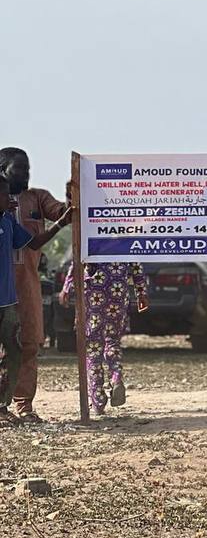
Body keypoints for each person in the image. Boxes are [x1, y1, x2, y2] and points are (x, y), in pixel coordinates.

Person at [0, 147, 68, 423]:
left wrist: (71, 202)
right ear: (3, 169)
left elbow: (62, 214)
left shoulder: (36, 198)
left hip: (24, 285)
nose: (25, 174)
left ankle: (23, 405)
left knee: (28, 344)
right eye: (19, 169)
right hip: (5, 286)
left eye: (27, 169)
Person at [60, 260, 147, 415]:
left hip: (94, 288)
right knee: (112, 339)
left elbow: (78, 256)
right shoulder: (127, 237)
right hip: (118, 288)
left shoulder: (89, 234)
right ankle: (116, 376)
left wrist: (67, 287)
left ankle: (98, 399)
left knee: (93, 347)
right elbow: (136, 263)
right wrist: (141, 293)